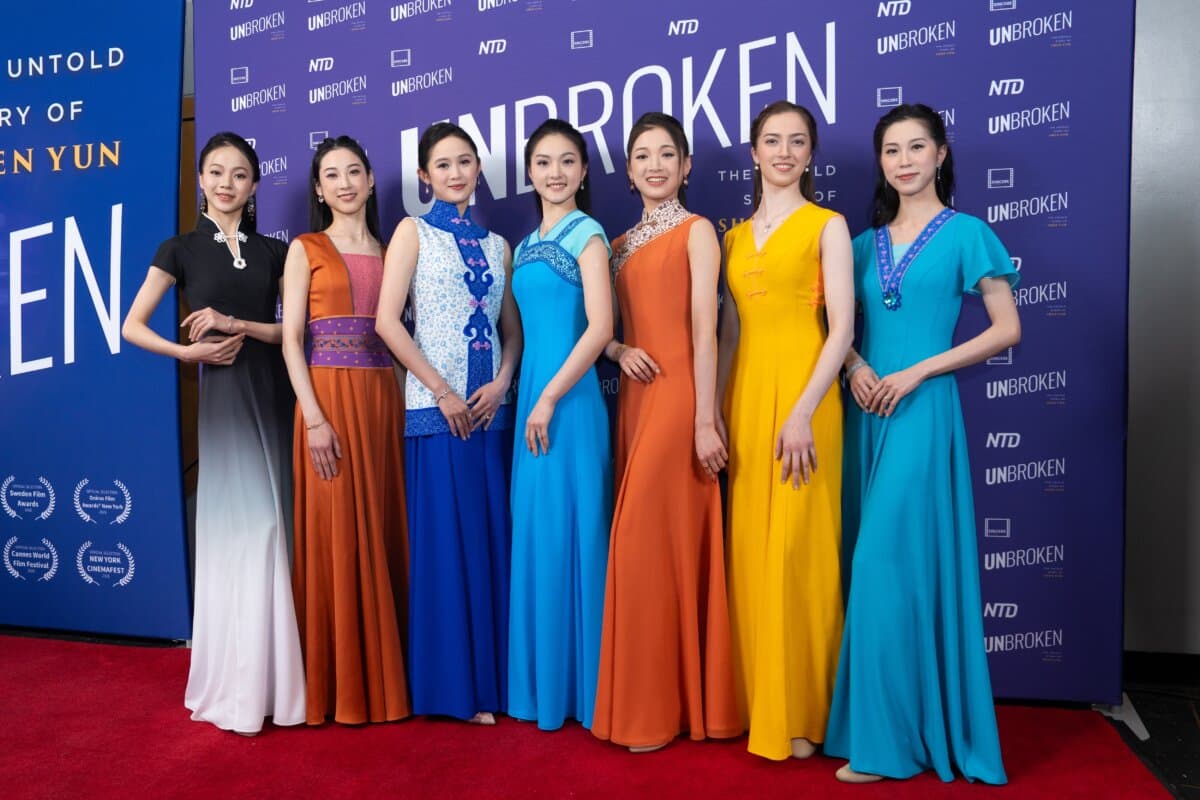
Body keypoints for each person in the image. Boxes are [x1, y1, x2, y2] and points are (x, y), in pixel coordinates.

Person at [824, 103, 1019, 785]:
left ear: (941, 153)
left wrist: (918, 369)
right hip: (867, 411)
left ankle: (889, 747)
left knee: (886, 568)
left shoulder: (969, 234)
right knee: (871, 571)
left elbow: (1005, 329)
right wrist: (857, 370)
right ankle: (873, 725)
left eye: (916, 147)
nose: (904, 161)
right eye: (891, 151)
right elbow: (839, 333)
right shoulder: (856, 245)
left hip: (924, 413)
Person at [122, 132, 304, 735]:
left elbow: (292, 335)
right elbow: (131, 326)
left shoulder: (277, 252)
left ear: (254, 185)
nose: (227, 184)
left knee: (277, 527)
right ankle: (237, 683)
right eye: (217, 173)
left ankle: (279, 686)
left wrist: (239, 325)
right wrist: (186, 351)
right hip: (223, 402)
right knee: (242, 531)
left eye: (240, 175)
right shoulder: (178, 250)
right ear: (201, 181)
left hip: (276, 396)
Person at [592, 112, 740, 752]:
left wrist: (707, 417)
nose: (655, 166)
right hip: (635, 400)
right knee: (658, 544)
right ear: (628, 171)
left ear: (686, 166)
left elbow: (707, 328)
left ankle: (657, 707)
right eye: (642, 156)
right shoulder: (617, 243)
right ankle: (667, 702)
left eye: (667, 155)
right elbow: (602, 333)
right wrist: (619, 348)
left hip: (682, 396)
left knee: (644, 543)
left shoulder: (699, 232)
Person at [716, 100, 854, 761]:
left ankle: (805, 711)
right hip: (746, 400)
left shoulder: (829, 225)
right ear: (754, 151)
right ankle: (757, 703)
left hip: (807, 399)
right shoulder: (732, 239)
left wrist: (802, 410)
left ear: (811, 153)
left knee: (801, 551)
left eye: (797, 142)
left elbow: (845, 330)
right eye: (772, 141)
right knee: (751, 550)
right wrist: (712, 410)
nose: (783, 151)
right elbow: (729, 332)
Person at [376, 122, 520, 725]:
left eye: (466, 162)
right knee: (445, 546)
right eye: (444, 164)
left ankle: (494, 687)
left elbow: (510, 331)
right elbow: (387, 321)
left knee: (489, 542)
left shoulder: (498, 246)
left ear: (477, 171)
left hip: (489, 410)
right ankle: (452, 690)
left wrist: (505, 380)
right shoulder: (412, 232)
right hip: (435, 412)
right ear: (423, 177)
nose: (456, 173)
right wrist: (441, 392)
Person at [280, 135, 410, 725]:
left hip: (384, 397)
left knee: (381, 524)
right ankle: (337, 688)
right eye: (331, 175)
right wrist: (313, 417)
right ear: (318, 188)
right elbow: (290, 340)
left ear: (371, 180)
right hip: (327, 398)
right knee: (334, 532)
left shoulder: (392, 249)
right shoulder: (304, 247)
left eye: (354, 171)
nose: (344, 183)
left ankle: (390, 679)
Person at [507, 118, 613, 731]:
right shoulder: (521, 246)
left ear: (583, 171)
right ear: (529, 173)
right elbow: (518, 334)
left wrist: (546, 397)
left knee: (576, 532)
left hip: (567, 405)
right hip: (530, 403)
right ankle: (541, 686)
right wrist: (511, 387)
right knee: (538, 533)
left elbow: (600, 327)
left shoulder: (589, 234)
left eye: (567, 161)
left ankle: (586, 689)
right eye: (544, 162)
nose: (555, 173)